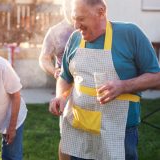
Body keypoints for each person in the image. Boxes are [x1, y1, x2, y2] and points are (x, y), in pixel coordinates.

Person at [49, 0, 160, 159]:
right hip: (80, 128)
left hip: (118, 131)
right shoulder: (75, 39)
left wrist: (123, 86)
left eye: (81, 19)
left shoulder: (130, 34)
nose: (75, 25)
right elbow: (65, 77)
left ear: (101, 12)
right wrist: (60, 95)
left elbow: (156, 77)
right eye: (74, 18)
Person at [39, 0, 74, 160]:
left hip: (90, 86)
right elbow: (44, 58)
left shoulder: (90, 25)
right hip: (66, 88)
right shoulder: (55, 31)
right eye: (66, 7)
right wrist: (54, 70)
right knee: (67, 135)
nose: (69, 11)